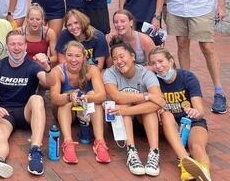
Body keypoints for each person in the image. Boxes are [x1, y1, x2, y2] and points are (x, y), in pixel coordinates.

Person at [0, 29, 51, 177]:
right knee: (0, 133)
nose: (16, 48)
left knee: (37, 99)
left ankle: (35, 151)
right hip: (4, 112)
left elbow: (49, 83)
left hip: (25, 112)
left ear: (25, 46)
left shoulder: (33, 65)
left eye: (19, 44)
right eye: (12, 44)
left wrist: (47, 67)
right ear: (7, 46)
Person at [148, 47, 212, 181]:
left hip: (191, 122)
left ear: (171, 61)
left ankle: (205, 176)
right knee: (166, 114)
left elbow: (200, 112)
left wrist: (195, 112)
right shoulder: (153, 80)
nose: (158, 66)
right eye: (153, 63)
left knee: (197, 148)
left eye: (161, 61)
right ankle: (185, 163)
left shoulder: (187, 77)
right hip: (170, 125)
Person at [103, 41, 165, 177]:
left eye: (122, 56)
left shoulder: (146, 74)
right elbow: (116, 97)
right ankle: (131, 151)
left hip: (140, 120)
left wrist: (127, 110)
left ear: (132, 56)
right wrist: (146, 96)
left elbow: (159, 101)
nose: (118, 61)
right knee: (124, 104)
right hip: (119, 121)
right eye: (114, 58)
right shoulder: (109, 73)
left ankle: (154, 153)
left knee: (148, 111)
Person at [49, 41, 110, 165]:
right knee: (64, 102)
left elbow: (102, 95)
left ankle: (100, 141)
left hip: (86, 112)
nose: (73, 60)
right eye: (70, 55)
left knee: (94, 96)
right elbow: (54, 98)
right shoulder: (58, 71)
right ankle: (68, 142)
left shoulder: (92, 69)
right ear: (65, 56)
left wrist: (84, 97)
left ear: (84, 57)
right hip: (66, 113)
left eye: (77, 56)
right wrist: (69, 97)